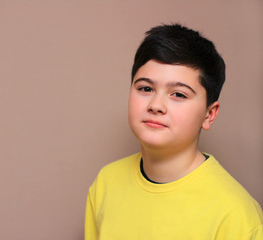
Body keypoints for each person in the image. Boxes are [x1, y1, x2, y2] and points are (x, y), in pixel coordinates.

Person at [85, 24, 263, 240]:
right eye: (145, 88)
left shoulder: (236, 214)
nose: (156, 105)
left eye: (178, 94)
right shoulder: (106, 183)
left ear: (209, 115)